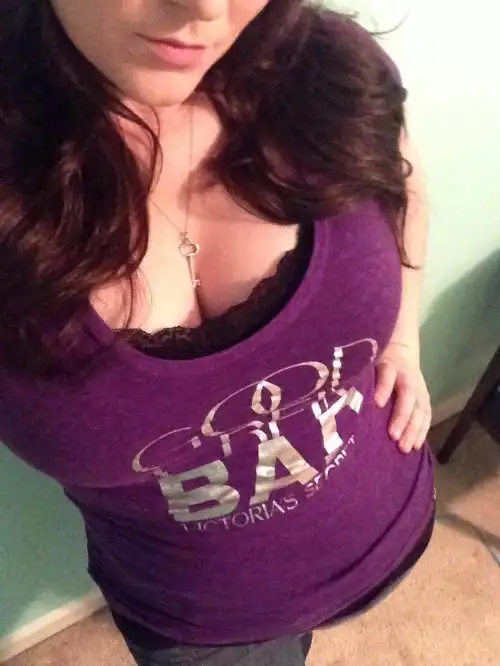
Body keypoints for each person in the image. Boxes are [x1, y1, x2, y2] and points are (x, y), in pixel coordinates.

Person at [0, 1, 436, 665]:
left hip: (393, 519)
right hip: (204, 626)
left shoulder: (328, 74)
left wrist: (402, 338)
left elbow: (405, 185)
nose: (206, 7)